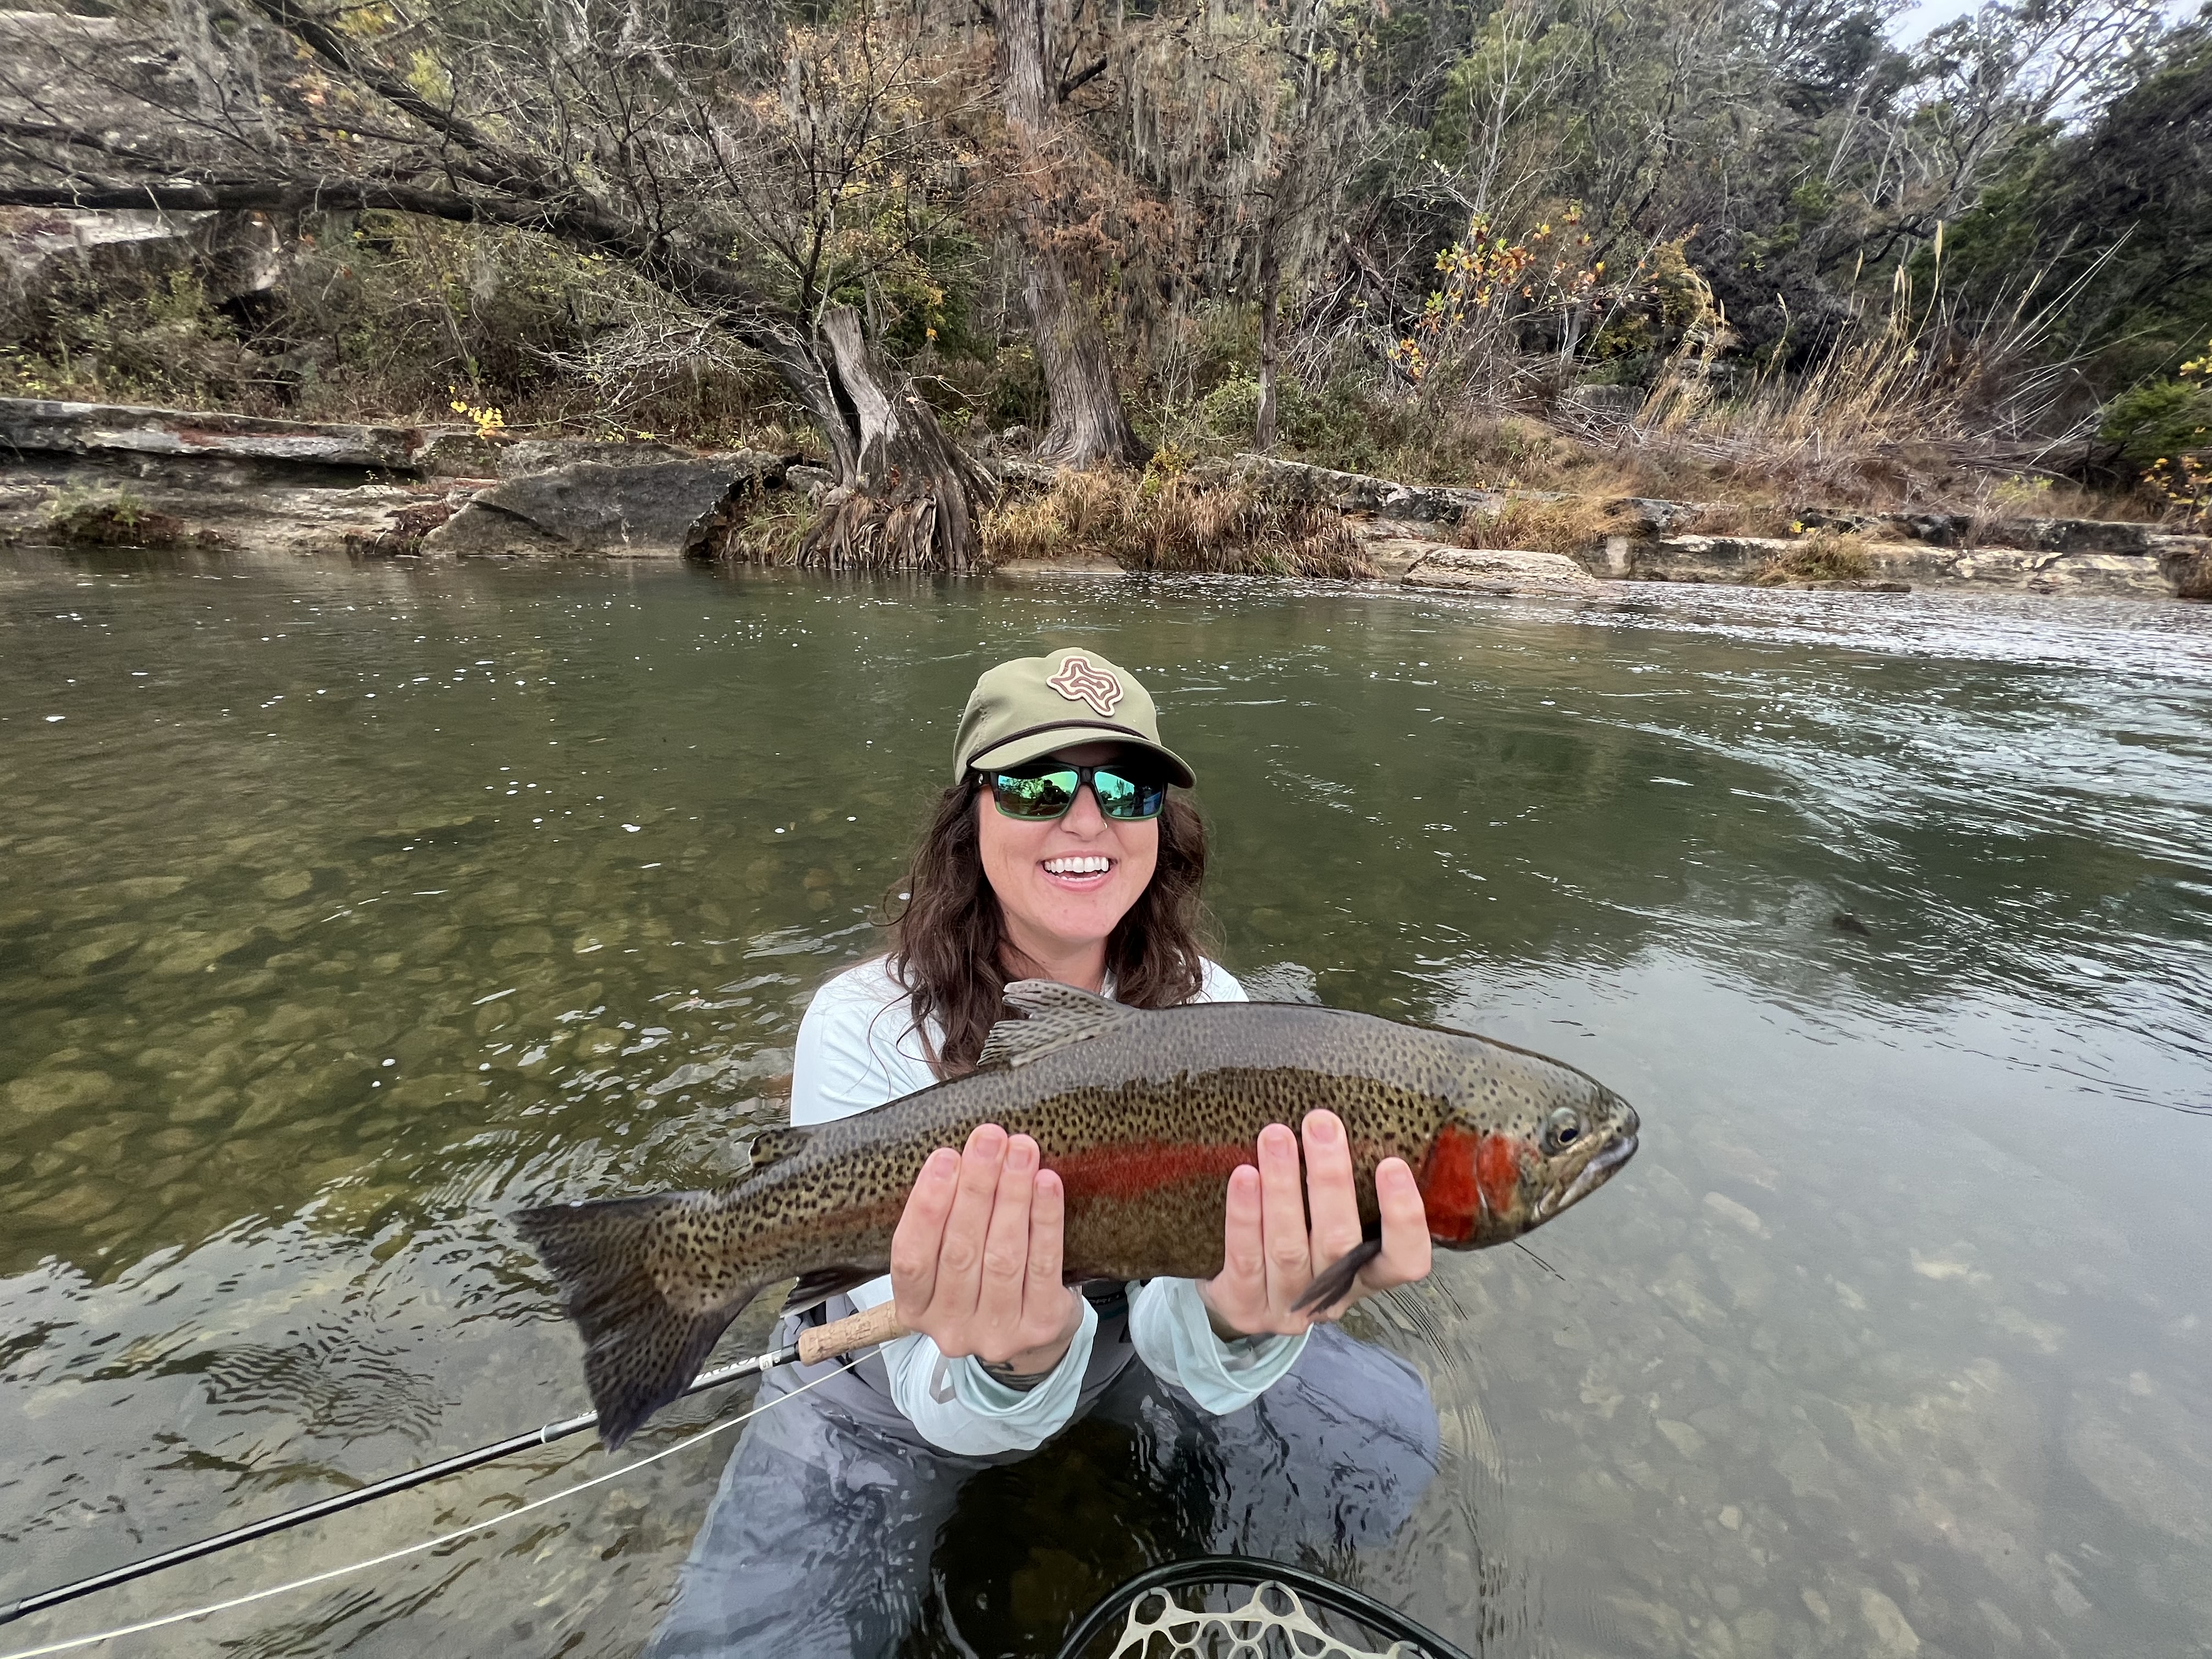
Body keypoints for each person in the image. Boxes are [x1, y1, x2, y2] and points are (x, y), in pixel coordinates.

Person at [648, 647, 1441, 1658]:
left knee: (1391, 1448)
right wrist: (1017, 1369)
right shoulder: (859, 1022)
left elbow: (1174, 1330)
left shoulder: (1216, 1017)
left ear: (1163, 821)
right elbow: (919, 1381)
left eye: (1127, 785)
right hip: (886, 1390)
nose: (1085, 818)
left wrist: (1238, 1324)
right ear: (970, 816)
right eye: (1034, 785)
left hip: (1124, 1358)